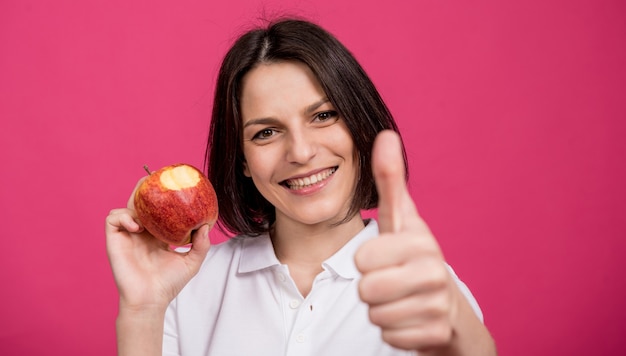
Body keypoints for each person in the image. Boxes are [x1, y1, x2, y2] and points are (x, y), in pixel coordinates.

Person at [106, 18, 497, 355]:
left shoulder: (423, 287)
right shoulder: (188, 286)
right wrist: (142, 310)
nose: (302, 151)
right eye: (267, 132)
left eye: (324, 115)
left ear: (360, 124)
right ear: (241, 159)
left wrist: (462, 335)